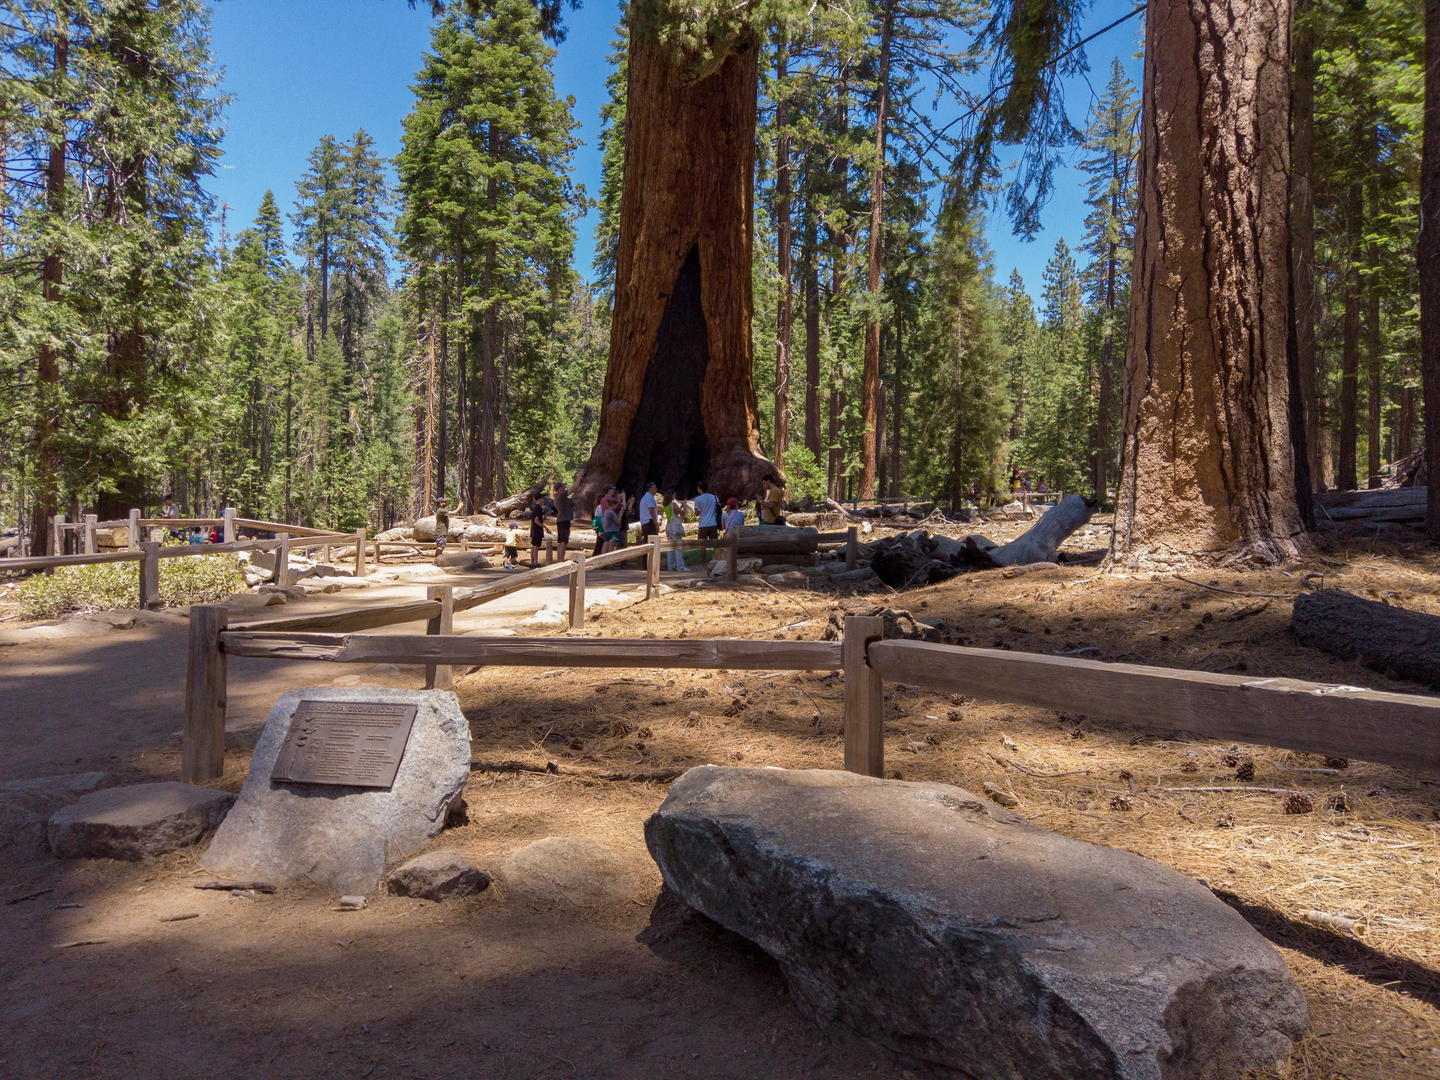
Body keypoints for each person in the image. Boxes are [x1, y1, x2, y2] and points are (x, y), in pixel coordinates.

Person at [663, 490, 686, 571]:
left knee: (670, 547)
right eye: (674, 494)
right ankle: (680, 566)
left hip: (669, 525)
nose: (675, 496)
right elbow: (682, 513)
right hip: (674, 527)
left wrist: (681, 506)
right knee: (678, 546)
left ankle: (671, 565)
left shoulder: (666, 505)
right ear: (671, 495)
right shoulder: (673, 504)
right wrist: (685, 506)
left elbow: (675, 511)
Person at [592, 484, 615, 557]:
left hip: (599, 526)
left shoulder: (597, 506)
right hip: (604, 525)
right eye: (612, 489)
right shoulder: (602, 505)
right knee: (604, 543)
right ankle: (601, 559)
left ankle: (596, 556)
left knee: (600, 543)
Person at [553, 481, 573, 560]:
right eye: (563, 486)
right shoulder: (561, 494)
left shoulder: (557, 496)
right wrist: (580, 476)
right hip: (564, 520)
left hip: (561, 520)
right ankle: (561, 561)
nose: (565, 487)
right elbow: (574, 487)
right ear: (560, 488)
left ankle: (559, 560)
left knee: (561, 541)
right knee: (564, 542)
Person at [528, 491, 546, 569]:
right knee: (536, 546)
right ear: (539, 499)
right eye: (542, 498)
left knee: (533, 546)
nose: (543, 499)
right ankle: (535, 562)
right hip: (537, 530)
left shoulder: (535, 508)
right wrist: (545, 527)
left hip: (534, 530)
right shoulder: (538, 508)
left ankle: (532, 562)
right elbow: (536, 520)